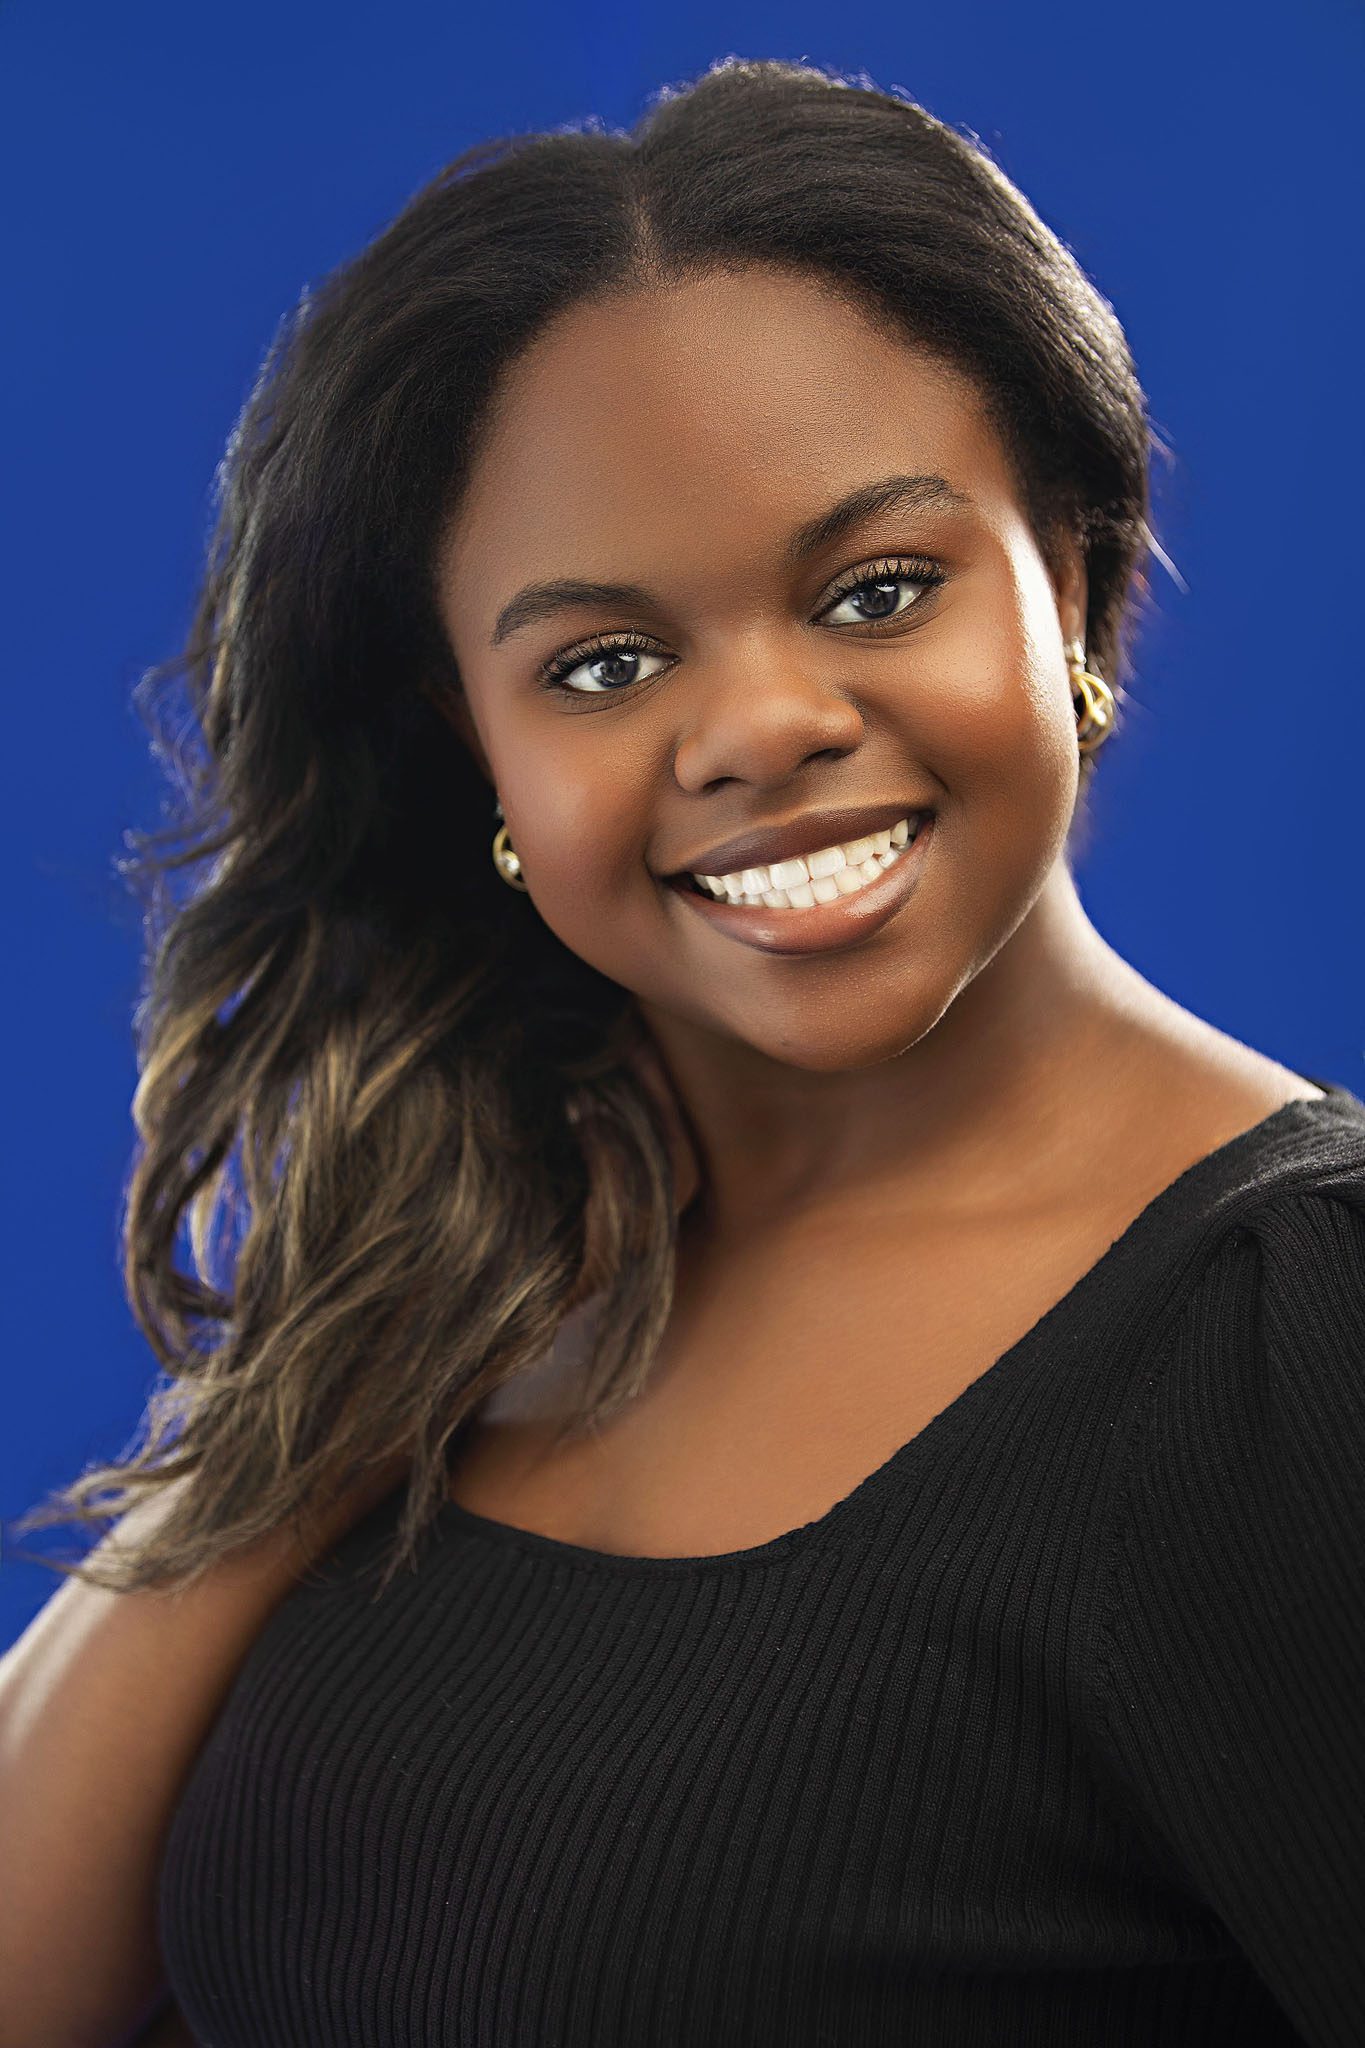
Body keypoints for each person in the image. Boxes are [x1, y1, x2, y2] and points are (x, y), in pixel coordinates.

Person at [3, 54, 1361, 2048]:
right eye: (604, 663)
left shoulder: (1293, 1339)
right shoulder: (480, 1293)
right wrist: (334, 1368)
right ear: (475, 746)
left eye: (876, 589)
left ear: (1063, 584)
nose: (757, 729)